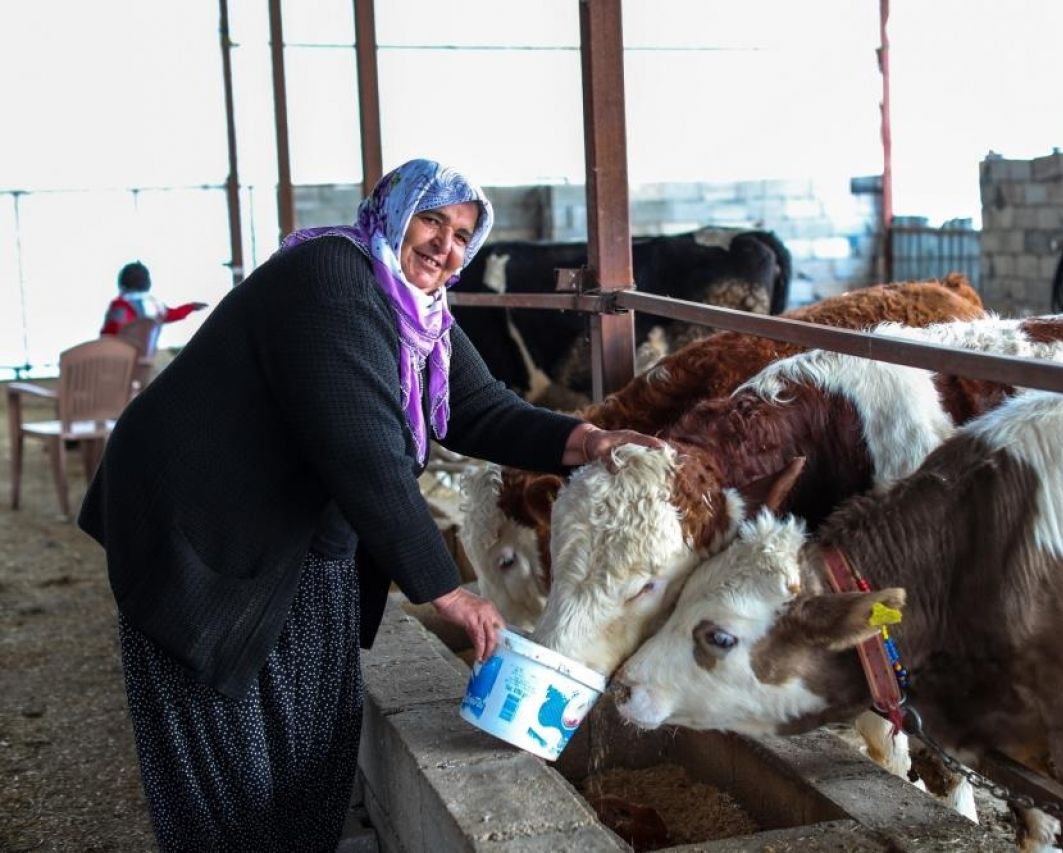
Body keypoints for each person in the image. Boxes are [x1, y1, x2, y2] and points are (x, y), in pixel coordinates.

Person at [78, 158, 664, 852]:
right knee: (226, 755)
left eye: (462, 235)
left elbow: (477, 407)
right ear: (394, 210)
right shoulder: (332, 278)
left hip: (298, 536)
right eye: (433, 220)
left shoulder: (420, 315)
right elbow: (364, 452)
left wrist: (589, 438)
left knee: (317, 735)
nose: (445, 246)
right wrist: (449, 592)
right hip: (202, 530)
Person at [100, 260, 208, 336]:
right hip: (142, 360)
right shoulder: (155, 306)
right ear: (147, 283)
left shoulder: (121, 304)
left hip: (114, 357)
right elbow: (175, 314)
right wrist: (191, 307)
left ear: (122, 282)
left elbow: (111, 331)